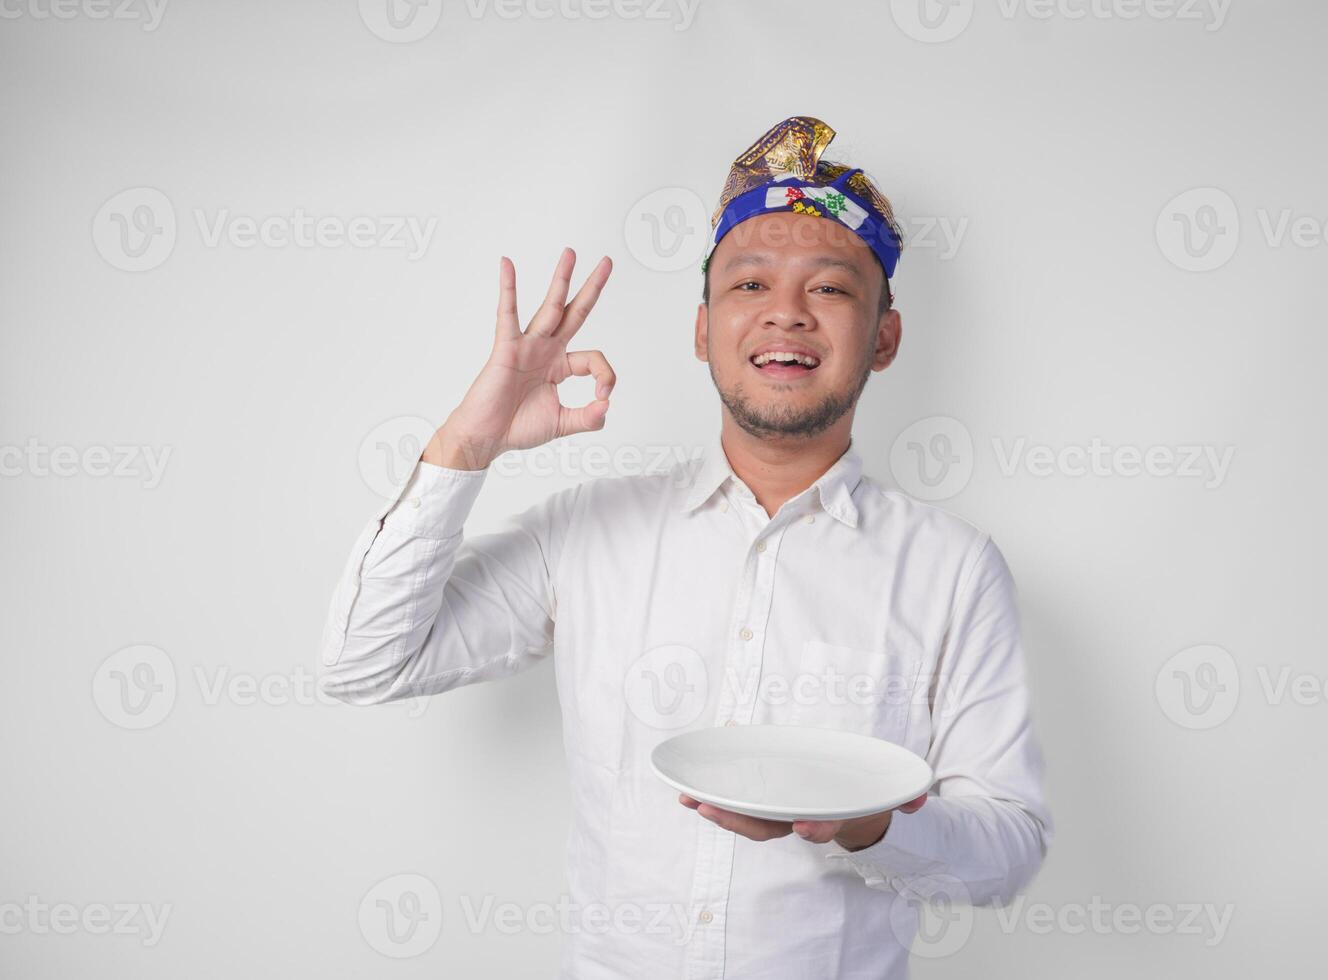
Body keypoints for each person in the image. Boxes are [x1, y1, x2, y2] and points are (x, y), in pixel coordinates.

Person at [319, 115, 1052, 979]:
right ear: (702, 330)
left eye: (830, 290)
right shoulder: (588, 531)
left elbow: (1010, 848)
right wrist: (469, 440)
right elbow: (363, 664)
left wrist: (871, 825)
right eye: (749, 286)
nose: (786, 312)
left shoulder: (952, 570)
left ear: (884, 338)